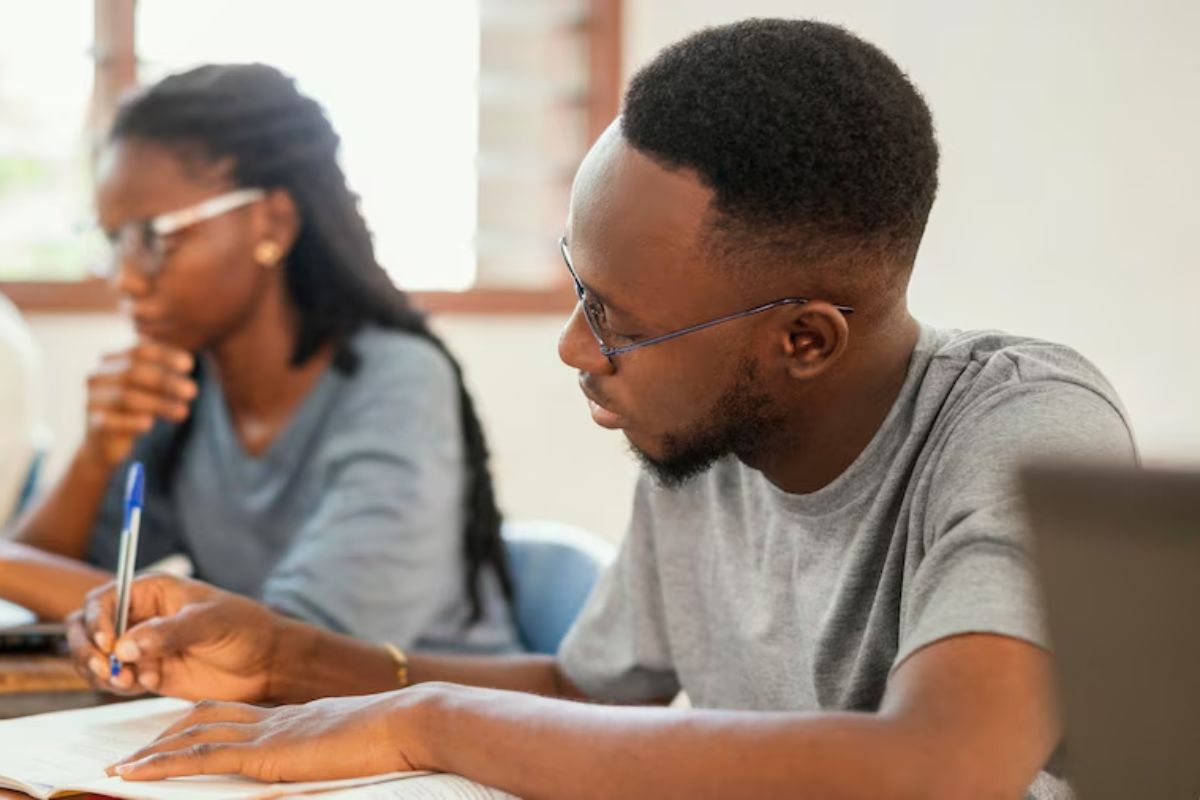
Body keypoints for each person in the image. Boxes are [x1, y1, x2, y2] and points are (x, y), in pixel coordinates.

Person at [69, 20, 1134, 798]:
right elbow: (588, 686)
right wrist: (287, 658)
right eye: (581, 287)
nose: (578, 347)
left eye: (616, 319)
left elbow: (938, 766)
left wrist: (424, 720)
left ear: (802, 340)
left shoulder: (1024, 425)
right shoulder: (707, 434)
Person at [1, 64, 518, 653]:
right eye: (114, 241)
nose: (125, 279)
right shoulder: (185, 392)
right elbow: (32, 599)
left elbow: (299, 651)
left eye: (154, 236)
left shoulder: (397, 382)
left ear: (271, 221)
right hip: (275, 725)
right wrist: (95, 456)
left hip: (434, 724)